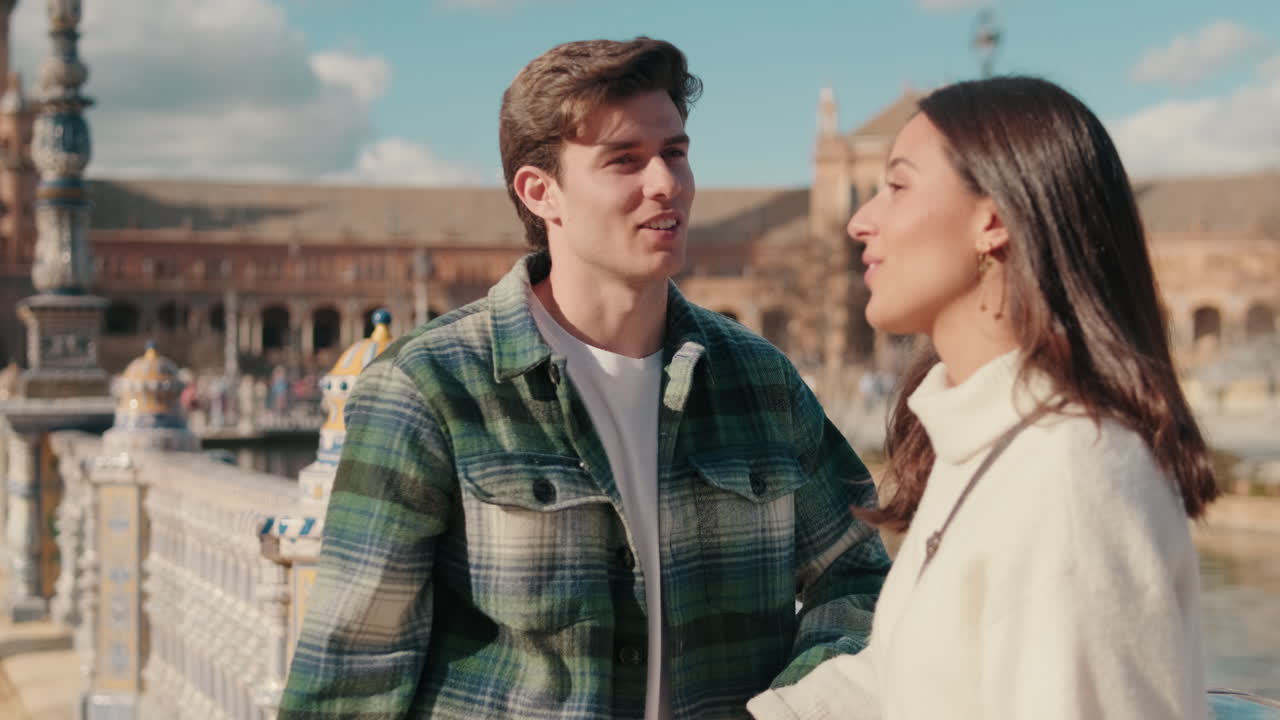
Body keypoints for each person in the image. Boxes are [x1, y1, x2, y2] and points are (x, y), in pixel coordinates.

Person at [279, 37, 890, 720]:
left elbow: (860, 577)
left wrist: (786, 707)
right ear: (541, 194)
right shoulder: (430, 388)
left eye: (676, 153)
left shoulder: (759, 381)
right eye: (624, 160)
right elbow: (350, 678)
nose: (666, 182)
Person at [749, 76, 1218, 720]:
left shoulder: (1067, 480)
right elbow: (904, 675)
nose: (860, 221)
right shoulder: (986, 447)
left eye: (897, 185)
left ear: (992, 219)